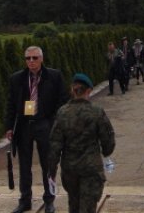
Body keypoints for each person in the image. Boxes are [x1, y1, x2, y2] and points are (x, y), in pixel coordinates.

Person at [5, 46, 68, 213]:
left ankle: (49, 199)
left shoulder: (54, 76)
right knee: (24, 165)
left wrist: (54, 122)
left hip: (45, 123)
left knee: (48, 164)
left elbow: (62, 100)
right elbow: (11, 104)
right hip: (24, 125)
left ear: (41, 59)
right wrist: (9, 127)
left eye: (34, 58)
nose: (31, 61)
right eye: (28, 58)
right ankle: (25, 200)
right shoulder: (17, 78)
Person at [48, 73, 115, 213]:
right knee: (88, 208)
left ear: (72, 90)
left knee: (73, 205)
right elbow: (108, 145)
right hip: (91, 170)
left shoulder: (62, 112)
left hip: (69, 170)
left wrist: (52, 171)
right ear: (88, 91)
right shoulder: (97, 112)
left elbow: (54, 145)